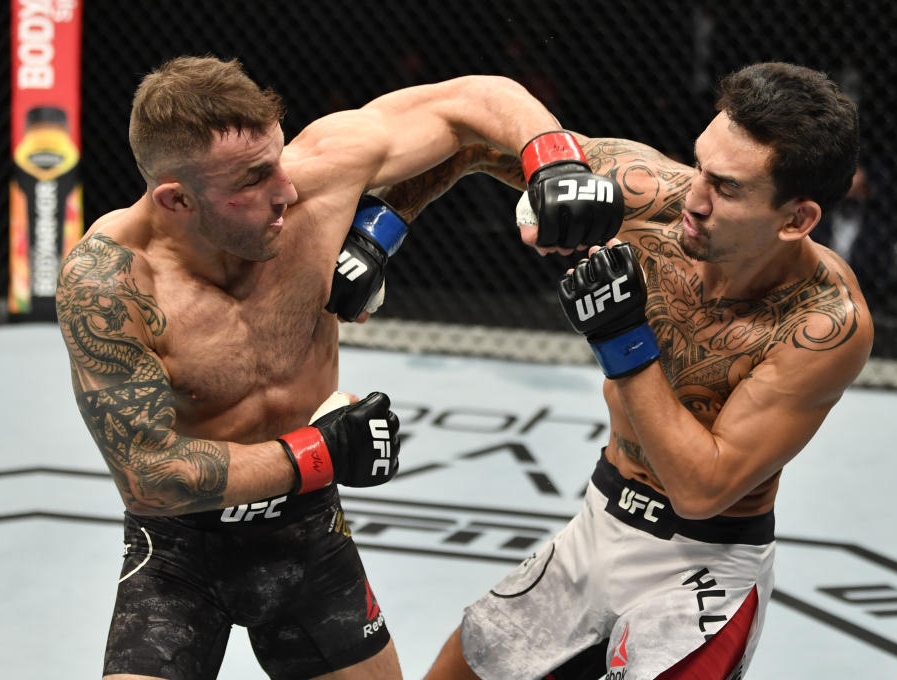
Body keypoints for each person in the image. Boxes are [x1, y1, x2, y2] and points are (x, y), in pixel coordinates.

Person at [54, 55, 623, 680]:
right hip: (180, 552)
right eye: (253, 179)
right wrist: (322, 451)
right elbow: (151, 473)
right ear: (175, 199)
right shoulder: (109, 284)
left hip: (307, 533)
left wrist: (553, 158)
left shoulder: (316, 177)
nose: (287, 189)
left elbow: (470, 103)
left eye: (276, 160)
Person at [380, 62, 873, 679]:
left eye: (727, 187)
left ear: (796, 219)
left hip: (702, 572)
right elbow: (473, 140)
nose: (694, 198)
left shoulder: (823, 324)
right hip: (598, 521)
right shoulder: (648, 195)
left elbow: (702, 489)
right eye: (699, 165)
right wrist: (381, 232)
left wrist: (623, 339)